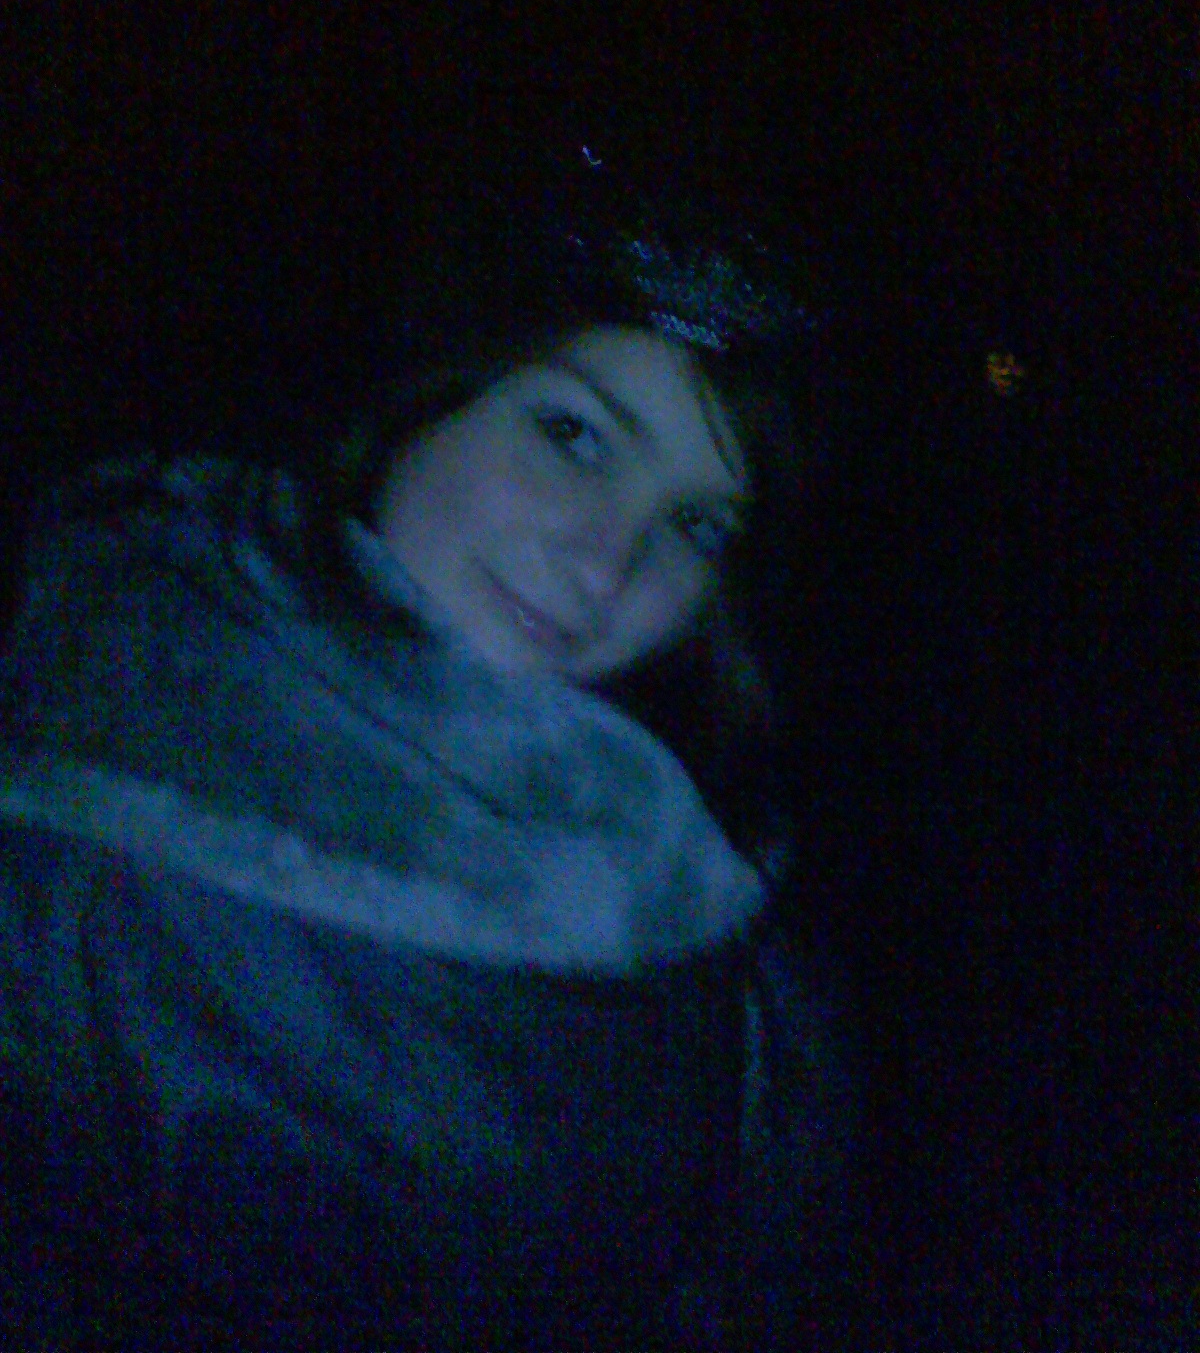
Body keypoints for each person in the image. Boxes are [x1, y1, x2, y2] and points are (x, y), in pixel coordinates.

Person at [0, 141, 876, 1349]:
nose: (606, 561)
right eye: (575, 435)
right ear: (429, 399)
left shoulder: (698, 884)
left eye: (696, 524)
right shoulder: (95, 782)